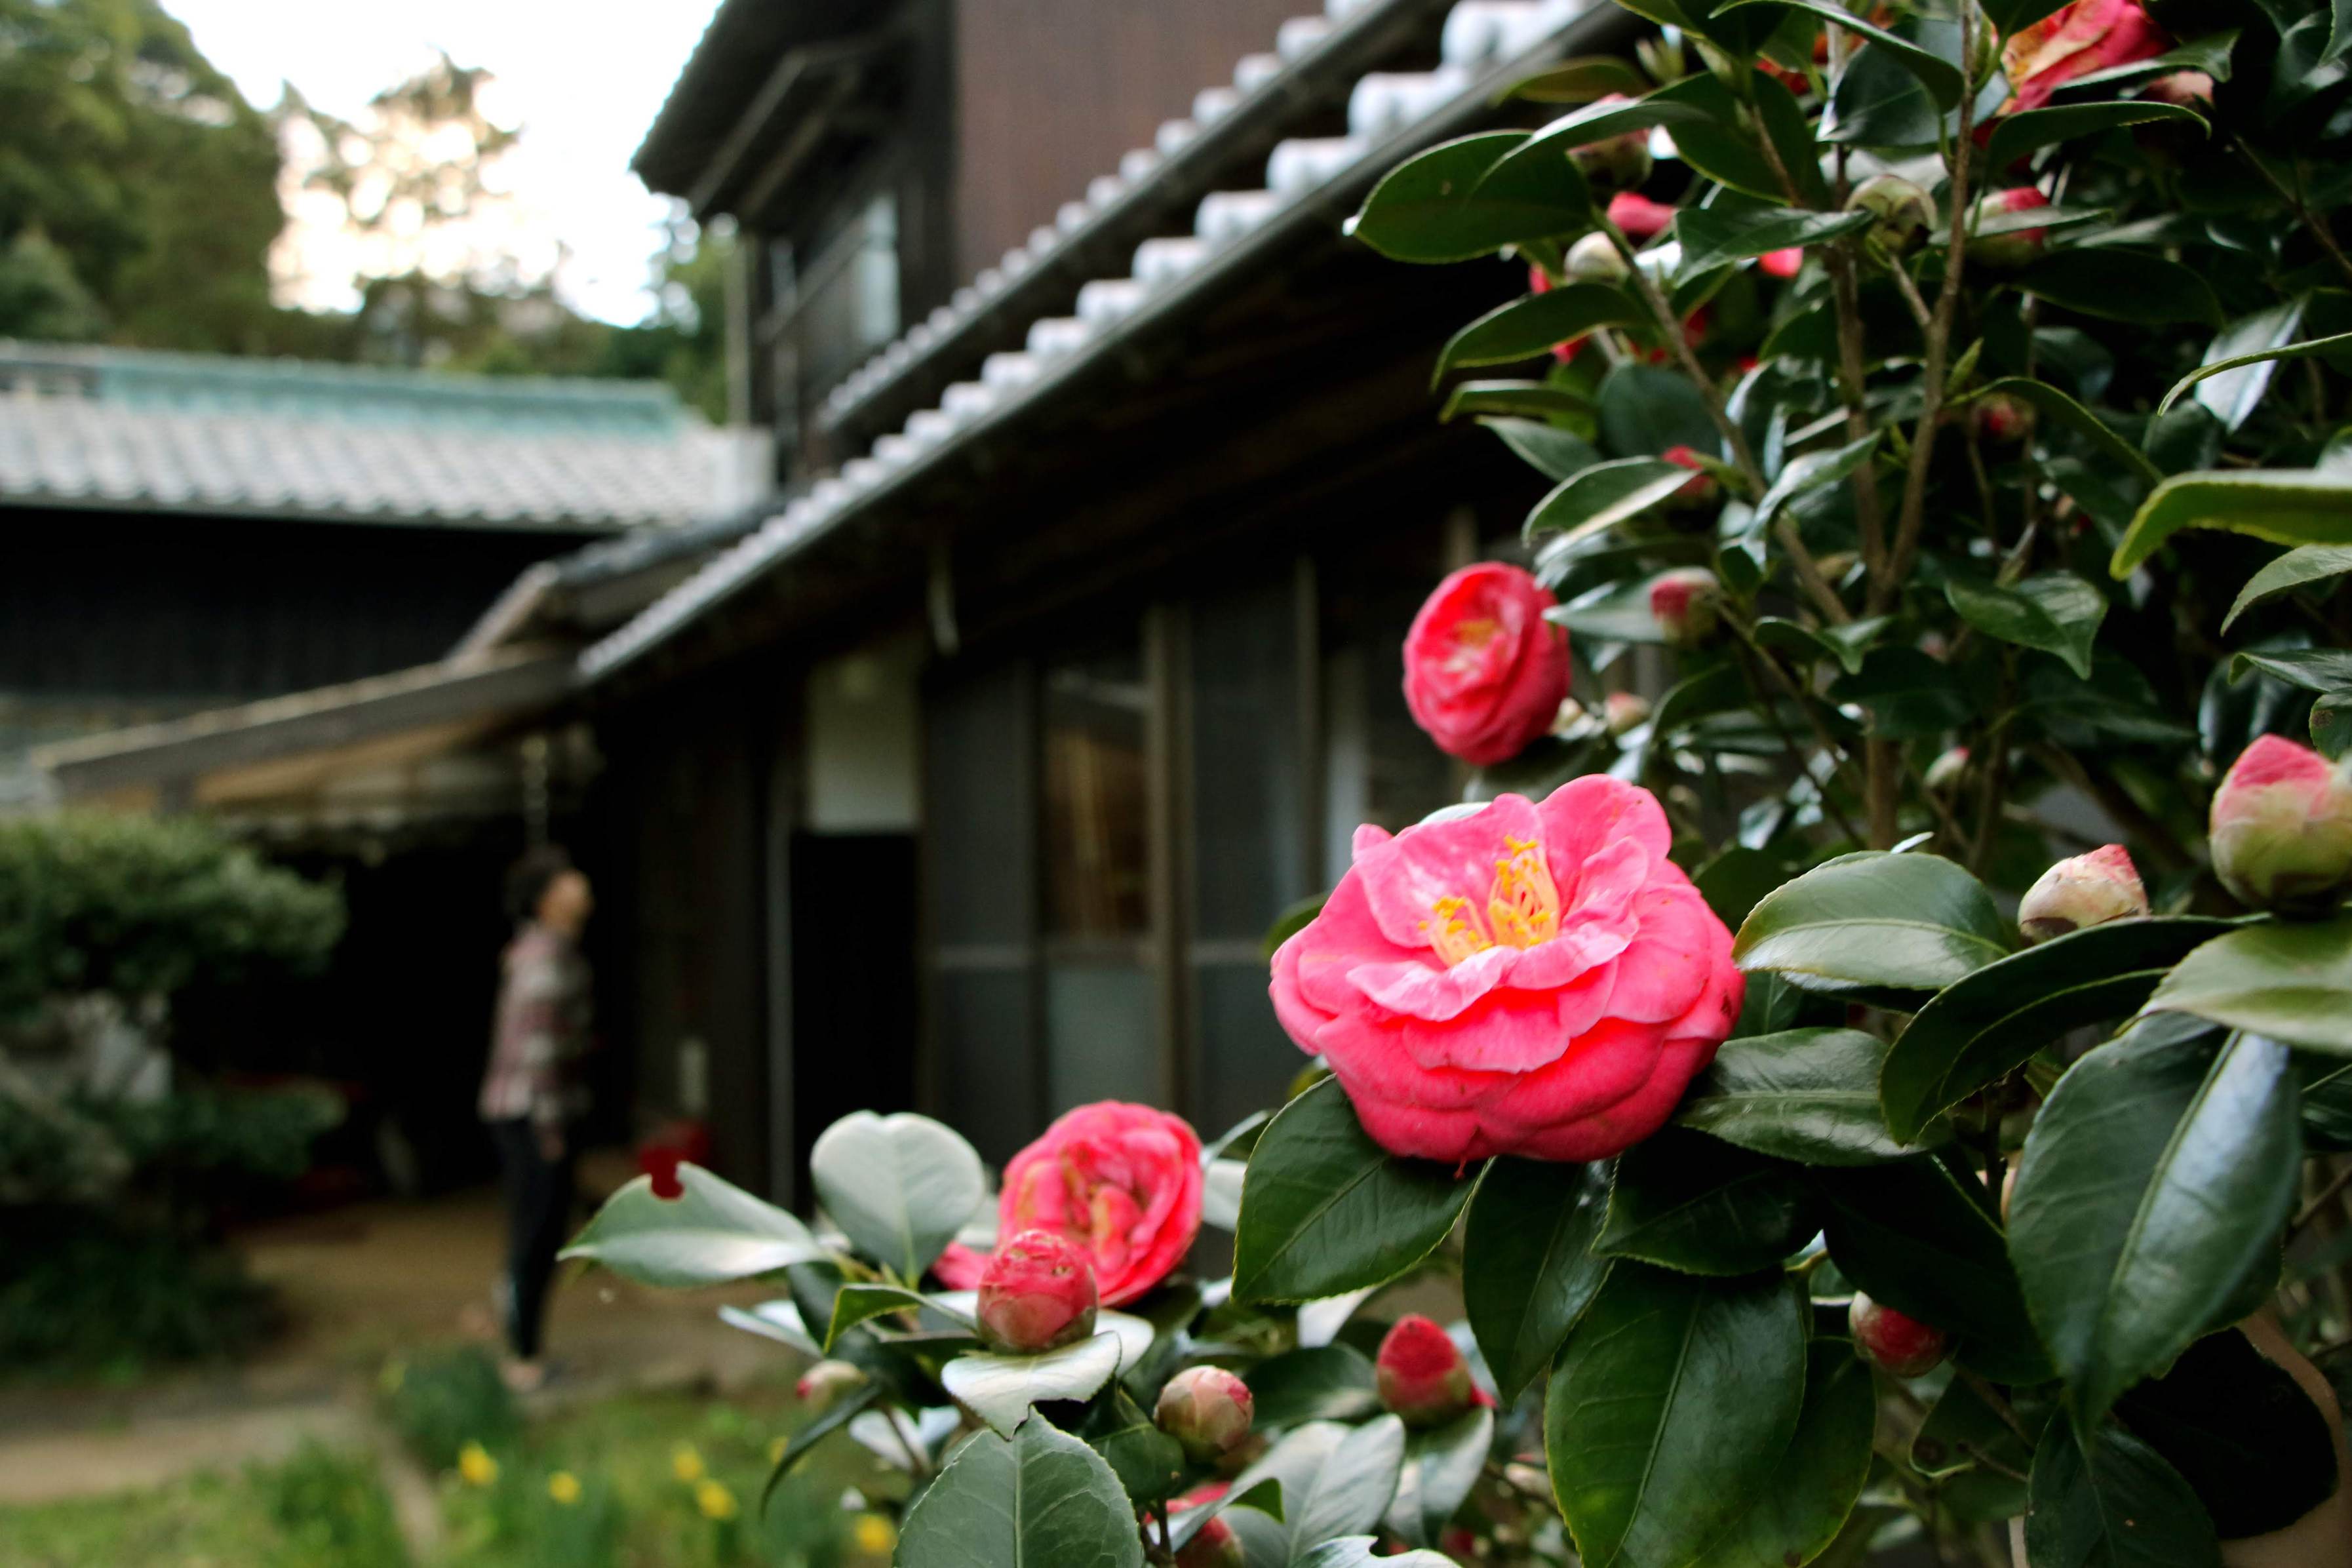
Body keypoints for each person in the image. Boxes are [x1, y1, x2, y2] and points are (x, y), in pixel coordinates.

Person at [479, 846, 593, 1393]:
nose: (581, 884)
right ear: (548, 898)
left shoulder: (546, 951)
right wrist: (550, 1131)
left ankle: (523, 1340)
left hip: (526, 1109)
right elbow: (540, 1053)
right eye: (569, 878)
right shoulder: (545, 959)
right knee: (536, 1232)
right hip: (532, 1112)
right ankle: (522, 1356)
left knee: (539, 1230)